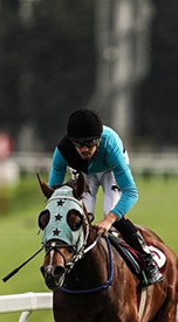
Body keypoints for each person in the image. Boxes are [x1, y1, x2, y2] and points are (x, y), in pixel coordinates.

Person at [48, 108, 163, 285]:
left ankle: (148, 262)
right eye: (79, 144)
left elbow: (131, 192)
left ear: (99, 140)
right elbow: (54, 184)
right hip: (84, 172)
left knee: (111, 211)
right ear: (72, 142)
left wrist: (109, 219)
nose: (85, 149)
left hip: (110, 169)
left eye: (90, 143)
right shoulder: (64, 149)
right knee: (82, 216)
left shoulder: (110, 147)